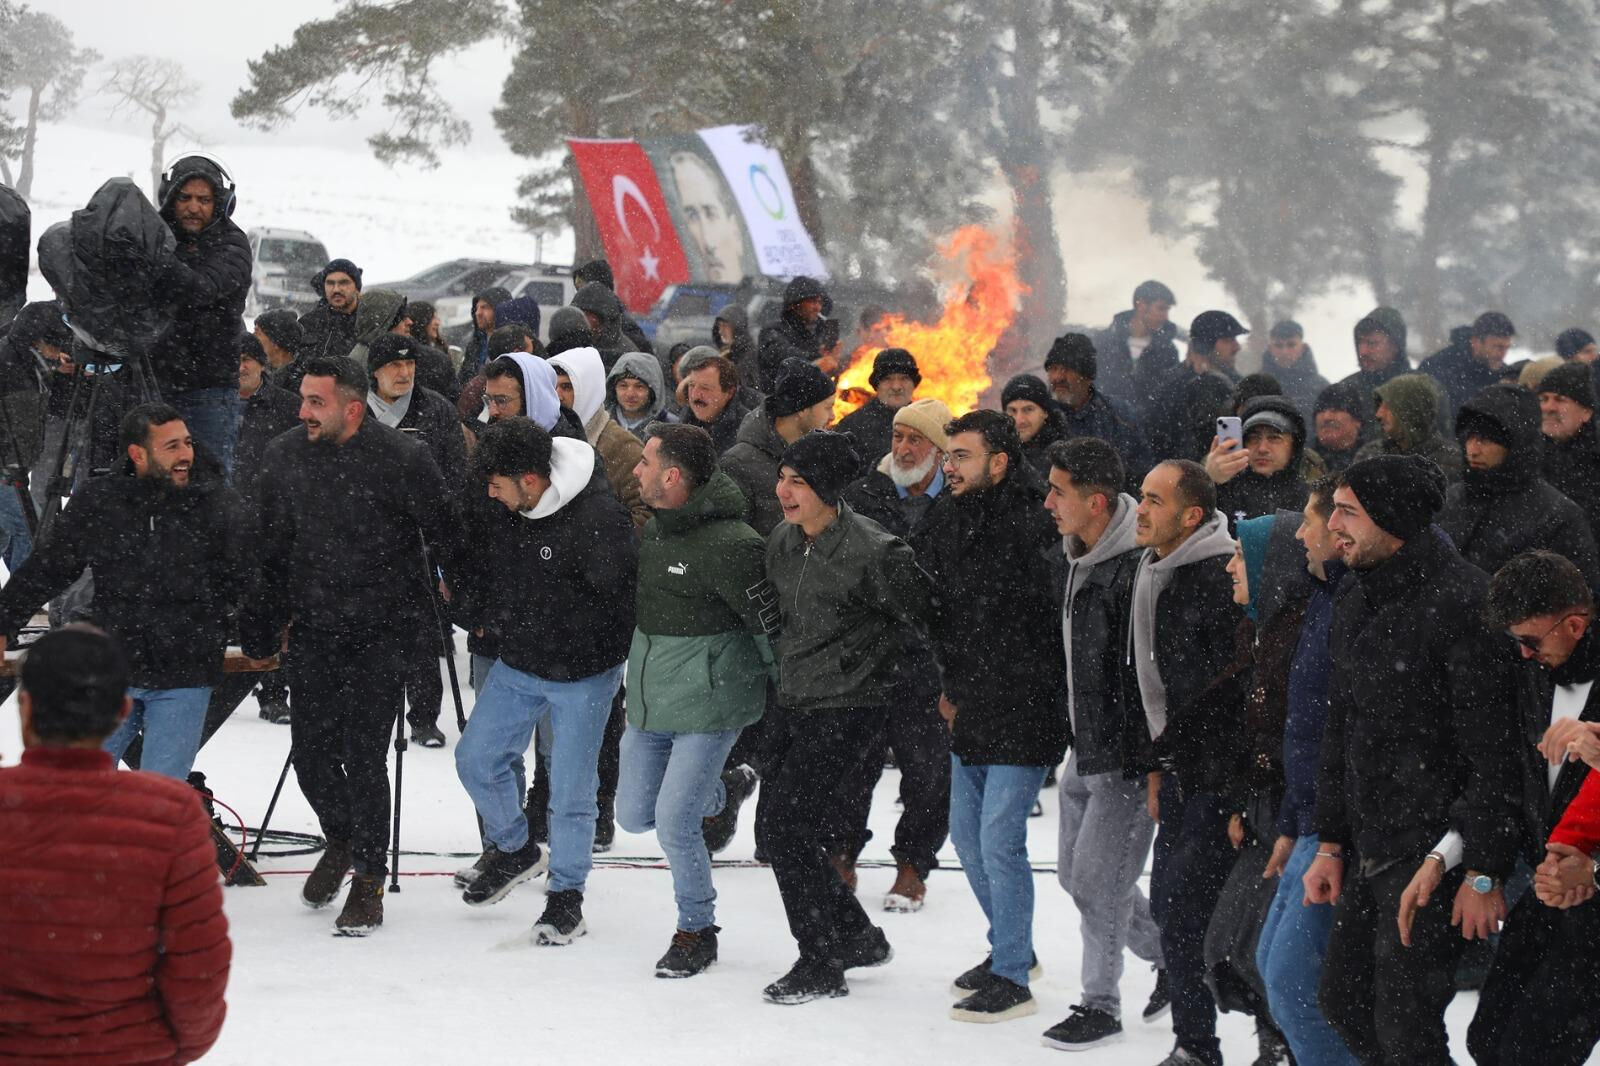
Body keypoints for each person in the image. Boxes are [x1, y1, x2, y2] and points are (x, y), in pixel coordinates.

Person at [1302, 454, 1519, 1065]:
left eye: (1347, 511)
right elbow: (1340, 729)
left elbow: (1496, 753)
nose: (1332, 525)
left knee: (1407, 1027)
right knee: (1344, 1000)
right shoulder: (1356, 594)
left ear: (1391, 518)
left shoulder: (1467, 602)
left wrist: (1483, 868)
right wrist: (1330, 841)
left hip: (1435, 852)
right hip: (1373, 841)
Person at [240, 355, 457, 935]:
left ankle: (368, 877)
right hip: (312, 627)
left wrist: (449, 599)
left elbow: (445, 530)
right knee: (311, 755)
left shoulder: (403, 458)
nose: (304, 411)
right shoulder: (285, 455)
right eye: (304, 399)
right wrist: (259, 626)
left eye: (317, 402)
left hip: (382, 630)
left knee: (364, 757)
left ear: (353, 408)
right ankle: (341, 837)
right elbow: (265, 548)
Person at [0, 626, 231, 1062]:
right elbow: (198, 967)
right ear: (122, 710)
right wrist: (169, 1049)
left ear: (25, 709)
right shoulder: (171, 815)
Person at [760, 430, 933, 1004]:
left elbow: (920, 626)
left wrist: (881, 683)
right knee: (778, 832)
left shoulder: (876, 552)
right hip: (794, 701)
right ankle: (855, 936)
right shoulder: (783, 542)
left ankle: (821, 960)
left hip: (850, 709)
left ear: (829, 491)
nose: (784, 491)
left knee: (788, 830)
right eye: (783, 477)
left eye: (799, 483)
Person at [452, 417, 635, 943]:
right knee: (476, 759)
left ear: (530, 481)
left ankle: (566, 897)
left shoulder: (599, 516)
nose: (491, 494)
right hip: (519, 662)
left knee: (572, 790)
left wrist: (579, 640)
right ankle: (515, 849)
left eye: (498, 485)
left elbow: (621, 600)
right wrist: (485, 611)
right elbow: (485, 565)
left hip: (584, 674)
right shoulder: (505, 508)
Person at [909, 410, 1066, 1023]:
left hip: (1027, 705)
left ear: (1000, 461)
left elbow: (1046, 625)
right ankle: (1013, 948)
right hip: (968, 700)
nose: (950, 465)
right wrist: (947, 685)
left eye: (964, 455)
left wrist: (1015, 687)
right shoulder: (948, 514)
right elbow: (934, 606)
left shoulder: (1038, 518)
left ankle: (1011, 977)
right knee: (968, 838)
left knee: (1001, 840)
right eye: (949, 454)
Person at [0, 404, 241, 781]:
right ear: (137, 454)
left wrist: (265, 629)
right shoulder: (102, 500)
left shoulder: (215, 503)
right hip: (114, 668)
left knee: (159, 797)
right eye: (172, 446)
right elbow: (50, 566)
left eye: (188, 443)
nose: (186, 456)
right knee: (78, 787)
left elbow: (246, 575)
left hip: (185, 670)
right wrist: (5, 620)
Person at [619, 425, 776, 976]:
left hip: (711, 706)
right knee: (633, 814)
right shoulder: (657, 531)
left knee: (673, 823)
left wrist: (790, 694)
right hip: (650, 700)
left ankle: (696, 929)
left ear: (672, 475)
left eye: (644, 462)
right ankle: (723, 792)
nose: (636, 472)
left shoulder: (736, 544)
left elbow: (768, 627)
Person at [1039, 437, 1166, 1052]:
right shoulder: (1079, 554)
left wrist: (1148, 762)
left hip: (1124, 758)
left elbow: (1152, 674)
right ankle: (1175, 952)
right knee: (1075, 875)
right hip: (1083, 748)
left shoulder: (1135, 567)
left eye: (1057, 492)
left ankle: (1100, 1003)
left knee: (1097, 881)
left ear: (1095, 502)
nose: (1047, 503)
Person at [1453, 552, 1600, 1066]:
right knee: (1486, 1040)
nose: (1522, 654)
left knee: (1529, 1053)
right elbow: (1506, 780)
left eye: (1531, 641)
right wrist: (1471, 866)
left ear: (1576, 624)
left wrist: (1594, 869)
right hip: (1549, 886)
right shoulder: (1536, 673)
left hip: (1588, 899)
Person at [1124, 459, 1243, 1066]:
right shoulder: (1154, 568)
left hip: (1221, 777)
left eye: (1152, 500)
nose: (1139, 509)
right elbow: (1156, 686)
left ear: (1191, 517)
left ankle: (1256, 1038)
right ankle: (1194, 1045)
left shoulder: (1221, 579)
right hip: (1178, 768)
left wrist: (1237, 791)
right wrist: (1157, 765)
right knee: (1174, 910)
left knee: (1210, 919)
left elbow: (1227, 697)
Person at [1251, 479, 1357, 1066]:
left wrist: (1329, 836)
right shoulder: (1322, 597)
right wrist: (1293, 825)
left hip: (1339, 828)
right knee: (1273, 969)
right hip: (1312, 819)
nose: (1299, 533)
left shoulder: (1352, 602)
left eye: (1312, 521)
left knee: (1296, 987)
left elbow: (1339, 734)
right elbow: (1305, 728)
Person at [840, 398, 953, 910]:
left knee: (926, 770)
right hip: (867, 655)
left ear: (939, 448)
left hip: (929, 660)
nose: (904, 448)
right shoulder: (864, 494)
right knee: (851, 765)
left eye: (916, 439)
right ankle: (842, 853)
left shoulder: (956, 501)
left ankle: (913, 864)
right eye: (898, 437)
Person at [1438, 382, 1600, 588]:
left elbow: (1579, 600)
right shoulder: (1451, 499)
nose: (1473, 450)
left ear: (1515, 444)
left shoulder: (1556, 515)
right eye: (1469, 438)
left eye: (1486, 440)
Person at [150, 155, 252, 475]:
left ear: (220, 202)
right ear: (170, 198)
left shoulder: (233, 245)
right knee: (151, 482)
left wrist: (152, 259)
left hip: (208, 391)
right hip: (154, 385)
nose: (194, 207)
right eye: (185, 198)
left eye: (204, 200)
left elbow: (200, 289)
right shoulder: (157, 238)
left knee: (208, 484)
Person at [722, 357, 836, 535]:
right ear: (802, 409)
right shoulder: (738, 464)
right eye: (828, 407)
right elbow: (733, 540)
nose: (833, 416)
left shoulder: (822, 455)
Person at [550, 346, 648, 529]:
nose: (557, 396)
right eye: (552, 386)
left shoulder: (623, 446)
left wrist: (604, 544)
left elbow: (646, 512)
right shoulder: (545, 438)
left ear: (587, 391)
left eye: (566, 387)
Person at [1043, 332, 1153, 495]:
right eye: (1053, 369)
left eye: (1067, 369)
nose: (1058, 377)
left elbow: (1139, 472)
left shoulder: (1117, 415)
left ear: (1086, 375)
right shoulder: (1039, 414)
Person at [1147, 311, 1248, 464]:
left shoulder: (1240, 385)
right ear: (1204, 346)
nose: (1237, 347)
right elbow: (1159, 442)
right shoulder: (1171, 388)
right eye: (1228, 340)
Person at [1205, 395, 1311, 529]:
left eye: (1274, 438)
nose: (1262, 448)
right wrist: (1210, 483)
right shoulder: (1225, 490)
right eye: (1253, 437)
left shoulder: (1311, 499)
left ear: (1294, 445)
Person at [1352, 372, 1463, 482]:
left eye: (1387, 406)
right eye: (1379, 406)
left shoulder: (1452, 460)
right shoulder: (1370, 454)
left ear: (1409, 411)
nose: (1378, 414)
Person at [1094, 279, 1181, 418]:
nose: (1165, 316)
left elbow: (1169, 396)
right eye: (1161, 308)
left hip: (1150, 431)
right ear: (1141, 305)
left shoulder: (1168, 351)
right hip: (1106, 425)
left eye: (1167, 310)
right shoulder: (1103, 343)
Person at [1419, 310, 1517, 421]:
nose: (1503, 354)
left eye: (1506, 348)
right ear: (1475, 342)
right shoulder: (1437, 367)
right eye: (1497, 347)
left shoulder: (1503, 375)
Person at [1539, 361, 1600, 535]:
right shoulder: (1525, 457)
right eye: (1543, 399)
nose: (1548, 407)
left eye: (1560, 399)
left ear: (1586, 413)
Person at [836, 348, 919, 467]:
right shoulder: (852, 427)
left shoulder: (929, 425)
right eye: (887, 379)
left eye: (904, 378)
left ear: (914, 384)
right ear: (876, 385)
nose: (896, 386)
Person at [675, 349, 760, 454]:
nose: (695, 395)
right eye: (691, 385)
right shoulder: (683, 421)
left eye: (705, 388)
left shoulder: (748, 431)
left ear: (729, 393)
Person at [758, 275, 830, 390]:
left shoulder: (815, 334)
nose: (817, 307)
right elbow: (783, 355)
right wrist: (815, 358)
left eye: (819, 302)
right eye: (812, 301)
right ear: (794, 304)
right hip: (777, 404)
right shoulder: (772, 331)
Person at [1336, 307, 1410, 415]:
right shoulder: (1345, 391)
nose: (1363, 351)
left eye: (1372, 343)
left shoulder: (1418, 391)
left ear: (1394, 346)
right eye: (1360, 342)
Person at [573, 259, 654, 354]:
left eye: (583, 288)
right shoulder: (575, 328)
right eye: (578, 289)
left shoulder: (626, 329)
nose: (581, 296)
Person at [1001, 373, 1068, 480]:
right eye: (1012, 411)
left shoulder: (1064, 457)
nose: (1019, 420)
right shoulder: (995, 451)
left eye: (1028, 409)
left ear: (1045, 412)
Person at [1261, 320, 1329, 421]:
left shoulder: (1321, 387)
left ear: (1303, 347)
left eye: (1291, 345)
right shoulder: (1257, 385)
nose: (1285, 352)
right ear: (1270, 348)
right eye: (1278, 345)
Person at [296, 257, 362, 361]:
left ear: (357, 288)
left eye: (344, 283)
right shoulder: (309, 323)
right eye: (330, 283)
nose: (336, 289)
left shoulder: (370, 324)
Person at [572, 281, 638, 370]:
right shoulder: (567, 346)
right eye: (579, 314)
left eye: (588, 315)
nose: (582, 319)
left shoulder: (628, 353)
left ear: (604, 321)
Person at [605, 350, 667, 440]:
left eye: (639, 387)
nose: (630, 394)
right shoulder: (599, 424)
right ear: (614, 389)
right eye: (623, 386)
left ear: (652, 392)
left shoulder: (668, 428)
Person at [458, 285, 513, 388]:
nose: (478, 313)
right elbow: (463, 379)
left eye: (485, 307)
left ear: (501, 310)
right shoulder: (476, 344)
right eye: (477, 308)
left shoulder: (513, 344)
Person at [1311, 382, 1367, 476]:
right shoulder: (1301, 461)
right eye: (1321, 410)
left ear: (1357, 420)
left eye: (1336, 410)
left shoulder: (1375, 459)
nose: (1327, 417)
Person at [714, 301, 761, 392]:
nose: (720, 331)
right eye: (719, 326)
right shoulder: (727, 352)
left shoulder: (748, 354)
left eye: (725, 326)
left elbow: (749, 389)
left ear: (737, 327)